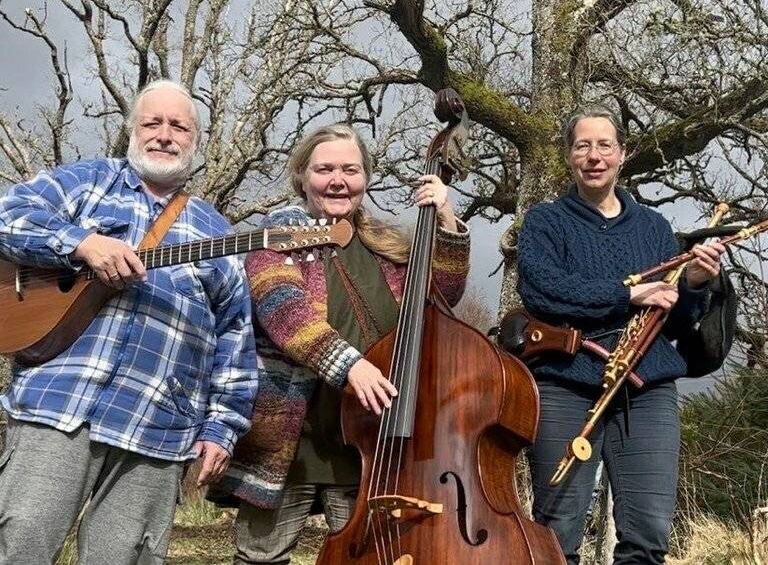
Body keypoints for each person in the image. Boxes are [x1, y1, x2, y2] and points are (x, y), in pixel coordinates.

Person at [0, 79, 258, 565]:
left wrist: (222, 428)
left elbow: (236, 340)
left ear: (195, 140)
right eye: (152, 122)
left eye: (178, 126)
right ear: (132, 130)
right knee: (21, 542)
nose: (164, 135)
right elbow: (8, 214)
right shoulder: (88, 182)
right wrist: (81, 243)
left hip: (158, 424)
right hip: (59, 400)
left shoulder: (217, 233)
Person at [210, 123, 470, 564]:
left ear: (365, 178)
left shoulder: (384, 245)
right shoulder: (276, 237)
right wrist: (352, 366)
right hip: (292, 442)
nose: (338, 180)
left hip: (371, 444)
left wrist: (445, 217)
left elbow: (441, 296)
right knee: (260, 557)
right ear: (302, 177)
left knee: (367, 559)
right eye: (324, 169)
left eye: (350, 170)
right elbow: (285, 311)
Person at [516, 105, 725, 564]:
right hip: (566, 382)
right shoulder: (546, 222)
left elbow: (672, 320)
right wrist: (626, 294)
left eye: (604, 145)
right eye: (583, 146)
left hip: (647, 387)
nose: (594, 156)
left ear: (622, 154)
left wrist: (693, 284)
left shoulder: (654, 228)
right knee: (556, 534)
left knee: (648, 536)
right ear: (569, 156)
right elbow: (542, 291)